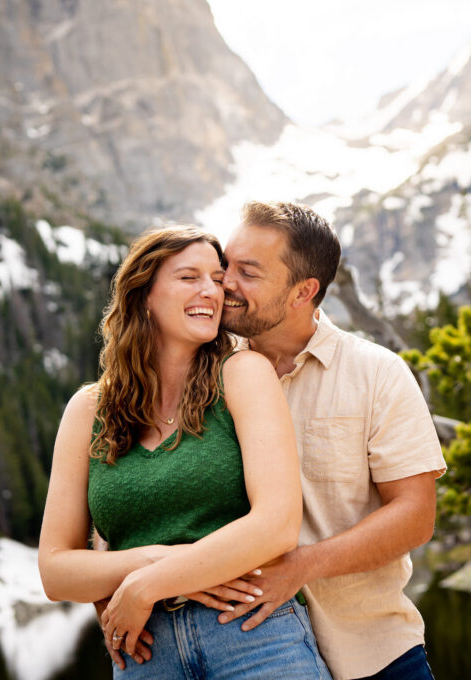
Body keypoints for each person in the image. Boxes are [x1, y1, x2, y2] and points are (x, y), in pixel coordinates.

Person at [38, 224, 331, 679]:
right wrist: (151, 567)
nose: (212, 291)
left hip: (252, 636)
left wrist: (147, 584)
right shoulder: (88, 410)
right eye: (189, 277)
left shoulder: (243, 374)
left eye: (217, 278)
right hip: (145, 653)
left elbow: (277, 525)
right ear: (143, 295)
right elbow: (55, 571)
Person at [197, 201, 447, 680]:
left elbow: (415, 515)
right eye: (227, 265)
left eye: (248, 272)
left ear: (303, 291)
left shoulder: (377, 373)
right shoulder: (201, 373)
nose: (225, 282)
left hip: (374, 653)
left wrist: (301, 567)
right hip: (247, 655)